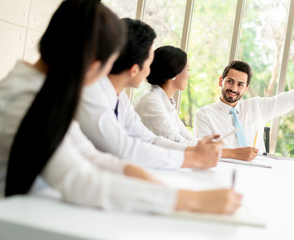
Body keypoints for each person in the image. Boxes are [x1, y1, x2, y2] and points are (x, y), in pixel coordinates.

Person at [0, 0, 242, 215]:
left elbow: (88, 155)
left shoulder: (43, 91)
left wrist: (135, 174)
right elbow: (82, 182)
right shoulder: (25, 100)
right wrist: (191, 200)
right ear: (93, 65)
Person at [77, 18, 222, 170]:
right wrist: (192, 159)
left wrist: (194, 151)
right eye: (148, 64)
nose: (149, 71)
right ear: (134, 69)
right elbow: (123, 148)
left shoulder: (121, 99)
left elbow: (149, 139)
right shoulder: (91, 95)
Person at [194, 60, 294, 153]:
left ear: (246, 88)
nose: (234, 88)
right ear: (220, 81)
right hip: (223, 175)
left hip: (259, 174)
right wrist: (235, 156)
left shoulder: (256, 106)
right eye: (230, 81)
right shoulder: (204, 115)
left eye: (240, 84)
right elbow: (203, 152)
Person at [135, 46, 258, 161]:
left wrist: (206, 143)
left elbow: (187, 138)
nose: (188, 75)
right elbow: (175, 142)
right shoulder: (151, 102)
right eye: (186, 70)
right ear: (174, 73)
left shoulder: (166, 102)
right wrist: (232, 153)